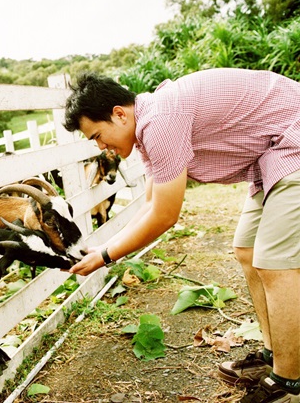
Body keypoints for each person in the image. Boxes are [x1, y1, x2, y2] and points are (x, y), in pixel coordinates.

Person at [62, 69, 300, 403]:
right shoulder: (148, 126)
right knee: (246, 249)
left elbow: (165, 215)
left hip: (293, 139)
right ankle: (275, 355)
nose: (101, 146)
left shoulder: (161, 121)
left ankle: (289, 385)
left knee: (276, 266)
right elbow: (150, 204)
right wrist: (103, 247)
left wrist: (105, 257)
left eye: (98, 136)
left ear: (119, 114)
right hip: (272, 154)